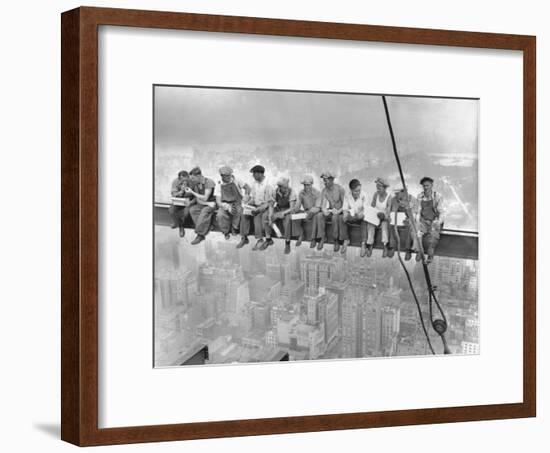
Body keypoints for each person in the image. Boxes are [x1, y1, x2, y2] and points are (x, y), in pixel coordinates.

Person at [236, 165, 274, 251]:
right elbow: (253, 198)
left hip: (266, 207)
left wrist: (259, 209)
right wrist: (247, 204)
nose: (253, 175)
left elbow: (270, 202)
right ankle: (244, 237)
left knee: (258, 216)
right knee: (244, 213)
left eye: (254, 174)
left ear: (260, 174)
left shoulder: (268, 184)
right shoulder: (254, 183)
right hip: (256, 206)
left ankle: (261, 239)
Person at [414, 176, 445, 263]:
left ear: (432, 185)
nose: (425, 187)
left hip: (434, 221)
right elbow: (418, 211)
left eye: (427, 185)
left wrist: (438, 221)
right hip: (423, 220)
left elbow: (441, 211)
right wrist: (417, 221)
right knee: (418, 234)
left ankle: (430, 256)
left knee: (432, 239)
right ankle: (420, 251)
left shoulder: (437, 196)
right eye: (424, 186)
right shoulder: (420, 196)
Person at [186, 167, 216, 245]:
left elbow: (205, 197)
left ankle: (200, 235)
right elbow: (198, 199)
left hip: (213, 203)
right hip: (205, 204)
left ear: (199, 176)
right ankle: (207, 227)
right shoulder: (196, 184)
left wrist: (192, 192)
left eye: (193, 178)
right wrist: (206, 203)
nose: (192, 180)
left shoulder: (209, 182)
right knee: (193, 210)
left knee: (204, 211)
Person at [267, 177, 298, 255]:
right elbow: (271, 205)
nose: (286, 189)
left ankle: (287, 242)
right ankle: (268, 238)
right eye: (284, 188)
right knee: (267, 216)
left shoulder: (292, 192)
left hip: (287, 210)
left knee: (287, 220)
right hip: (279, 208)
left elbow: (292, 208)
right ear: (279, 187)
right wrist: (271, 216)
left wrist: (282, 213)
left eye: (287, 187)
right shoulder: (275, 191)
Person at [214, 166, 246, 240]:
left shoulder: (236, 179)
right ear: (222, 176)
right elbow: (218, 201)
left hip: (237, 202)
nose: (229, 177)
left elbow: (247, 188)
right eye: (227, 176)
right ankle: (225, 232)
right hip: (225, 203)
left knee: (238, 211)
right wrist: (227, 206)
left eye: (230, 175)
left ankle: (234, 228)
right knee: (220, 215)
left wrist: (246, 196)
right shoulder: (219, 184)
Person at [294, 175, 323, 248]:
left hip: (315, 211)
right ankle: (301, 234)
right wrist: (296, 208)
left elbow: (318, 207)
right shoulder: (301, 193)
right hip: (306, 211)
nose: (306, 187)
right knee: (295, 216)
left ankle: (313, 239)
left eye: (308, 185)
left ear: (311, 184)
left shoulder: (317, 193)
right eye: (305, 185)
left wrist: (310, 213)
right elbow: (298, 204)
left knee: (315, 216)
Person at [320, 172, 347, 252]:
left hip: (341, 212)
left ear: (332, 180)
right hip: (332, 211)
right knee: (320, 215)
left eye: (326, 180)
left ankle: (336, 240)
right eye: (323, 180)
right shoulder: (324, 191)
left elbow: (345, 205)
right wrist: (324, 210)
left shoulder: (340, 189)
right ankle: (322, 237)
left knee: (335, 217)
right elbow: (323, 205)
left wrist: (338, 211)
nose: (324, 182)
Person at [388, 188, 417, 260]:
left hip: (408, 220)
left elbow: (415, 214)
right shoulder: (393, 200)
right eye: (396, 194)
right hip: (397, 219)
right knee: (391, 225)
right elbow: (389, 210)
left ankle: (407, 250)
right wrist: (389, 216)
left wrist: (408, 212)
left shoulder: (412, 199)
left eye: (398, 193)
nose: (396, 195)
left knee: (410, 226)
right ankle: (392, 247)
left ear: (404, 192)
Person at [342, 178, 368, 256]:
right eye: (356, 191)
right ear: (351, 190)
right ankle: (346, 240)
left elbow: (366, 209)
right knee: (343, 219)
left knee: (364, 221)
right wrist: (345, 214)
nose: (358, 193)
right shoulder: (347, 195)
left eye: (359, 190)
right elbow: (345, 208)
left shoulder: (364, 195)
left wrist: (361, 213)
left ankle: (363, 244)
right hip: (352, 216)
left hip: (361, 216)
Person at [367, 177, 392, 257]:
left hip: (384, 217)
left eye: (379, 188)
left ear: (384, 188)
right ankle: (370, 244)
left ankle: (385, 245)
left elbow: (388, 210)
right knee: (370, 224)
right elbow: (372, 206)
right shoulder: (375, 194)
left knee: (385, 225)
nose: (378, 189)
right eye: (377, 187)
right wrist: (372, 213)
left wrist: (384, 215)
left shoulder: (389, 196)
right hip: (376, 216)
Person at [168, 170, 194, 238]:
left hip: (188, 201)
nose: (185, 182)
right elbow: (174, 194)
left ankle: (182, 226)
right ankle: (178, 224)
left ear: (188, 177)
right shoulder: (175, 182)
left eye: (186, 180)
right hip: (178, 200)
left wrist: (191, 201)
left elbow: (195, 194)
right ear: (179, 179)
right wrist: (181, 191)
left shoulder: (192, 182)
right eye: (183, 180)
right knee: (171, 211)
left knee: (186, 213)